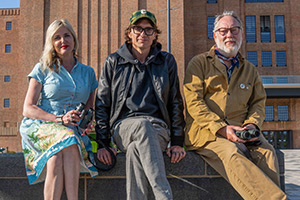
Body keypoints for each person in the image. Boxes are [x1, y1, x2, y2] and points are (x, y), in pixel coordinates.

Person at [183, 11, 286, 200]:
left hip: (243, 131)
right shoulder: (198, 63)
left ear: (242, 34)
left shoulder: (250, 69)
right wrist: (222, 129)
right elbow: (194, 103)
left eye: (234, 30)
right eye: (223, 31)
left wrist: (252, 125)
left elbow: (258, 102)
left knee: (268, 153)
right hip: (207, 133)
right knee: (231, 153)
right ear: (215, 36)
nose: (229, 35)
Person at [95, 9, 186, 200]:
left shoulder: (166, 61)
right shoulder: (114, 61)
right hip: (123, 128)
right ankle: (163, 196)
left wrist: (177, 141)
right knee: (142, 126)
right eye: (137, 28)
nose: (142, 34)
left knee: (136, 151)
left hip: (158, 128)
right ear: (129, 32)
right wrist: (103, 143)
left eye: (148, 30)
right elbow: (102, 103)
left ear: (155, 35)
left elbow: (175, 102)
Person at [19, 19, 98, 200]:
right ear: (51, 43)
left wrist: (86, 123)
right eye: (57, 37)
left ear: (74, 39)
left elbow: (90, 106)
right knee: (68, 140)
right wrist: (60, 119)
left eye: (67, 35)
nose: (63, 40)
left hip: (74, 129)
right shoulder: (42, 69)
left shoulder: (88, 73)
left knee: (56, 157)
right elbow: (27, 108)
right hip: (43, 125)